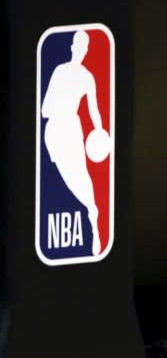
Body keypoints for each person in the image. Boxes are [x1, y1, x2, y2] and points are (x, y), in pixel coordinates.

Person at [41, 29, 105, 256]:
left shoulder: (87, 77)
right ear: (72, 47)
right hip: (54, 132)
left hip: (71, 130)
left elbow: (94, 109)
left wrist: (98, 131)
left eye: (83, 45)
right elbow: (44, 108)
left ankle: (95, 221)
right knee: (63, 180)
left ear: (86, 50)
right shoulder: (59, 71)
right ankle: (92, 212)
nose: (80, 49)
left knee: (82, 179)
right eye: (77, 44)